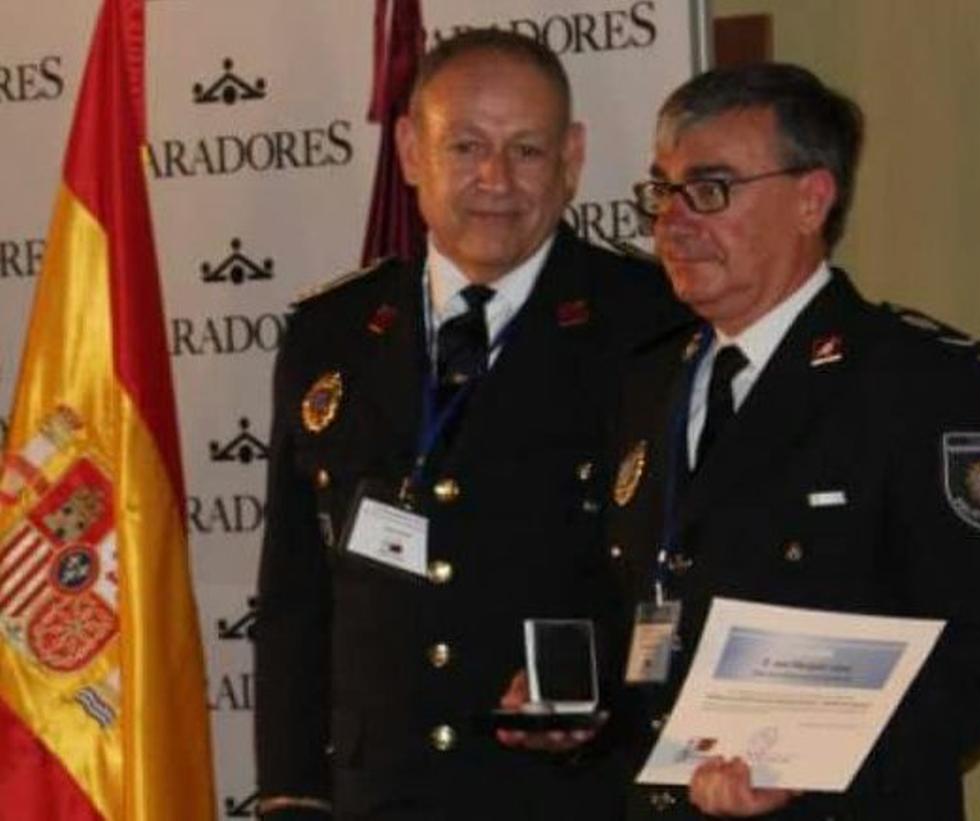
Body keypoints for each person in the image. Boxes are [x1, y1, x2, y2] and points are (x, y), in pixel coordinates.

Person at [253, 30, 680, 820]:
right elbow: (295, 594)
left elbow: (679, 577)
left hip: (567, 797)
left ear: (572, 159)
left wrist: (608, 702)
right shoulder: (333, 331)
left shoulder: (650, 325)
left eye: (527, 150)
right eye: (466, 146)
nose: (496, 180)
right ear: (411, 151)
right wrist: (292, 795)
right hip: (379, 796)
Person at [604, 63, 980, 819]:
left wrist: (808, 765)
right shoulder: (650, 383)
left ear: (811, 199)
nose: (672, 221)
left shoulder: (919, 387)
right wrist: (578, 711)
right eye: (663, 191)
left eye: (710, 190)